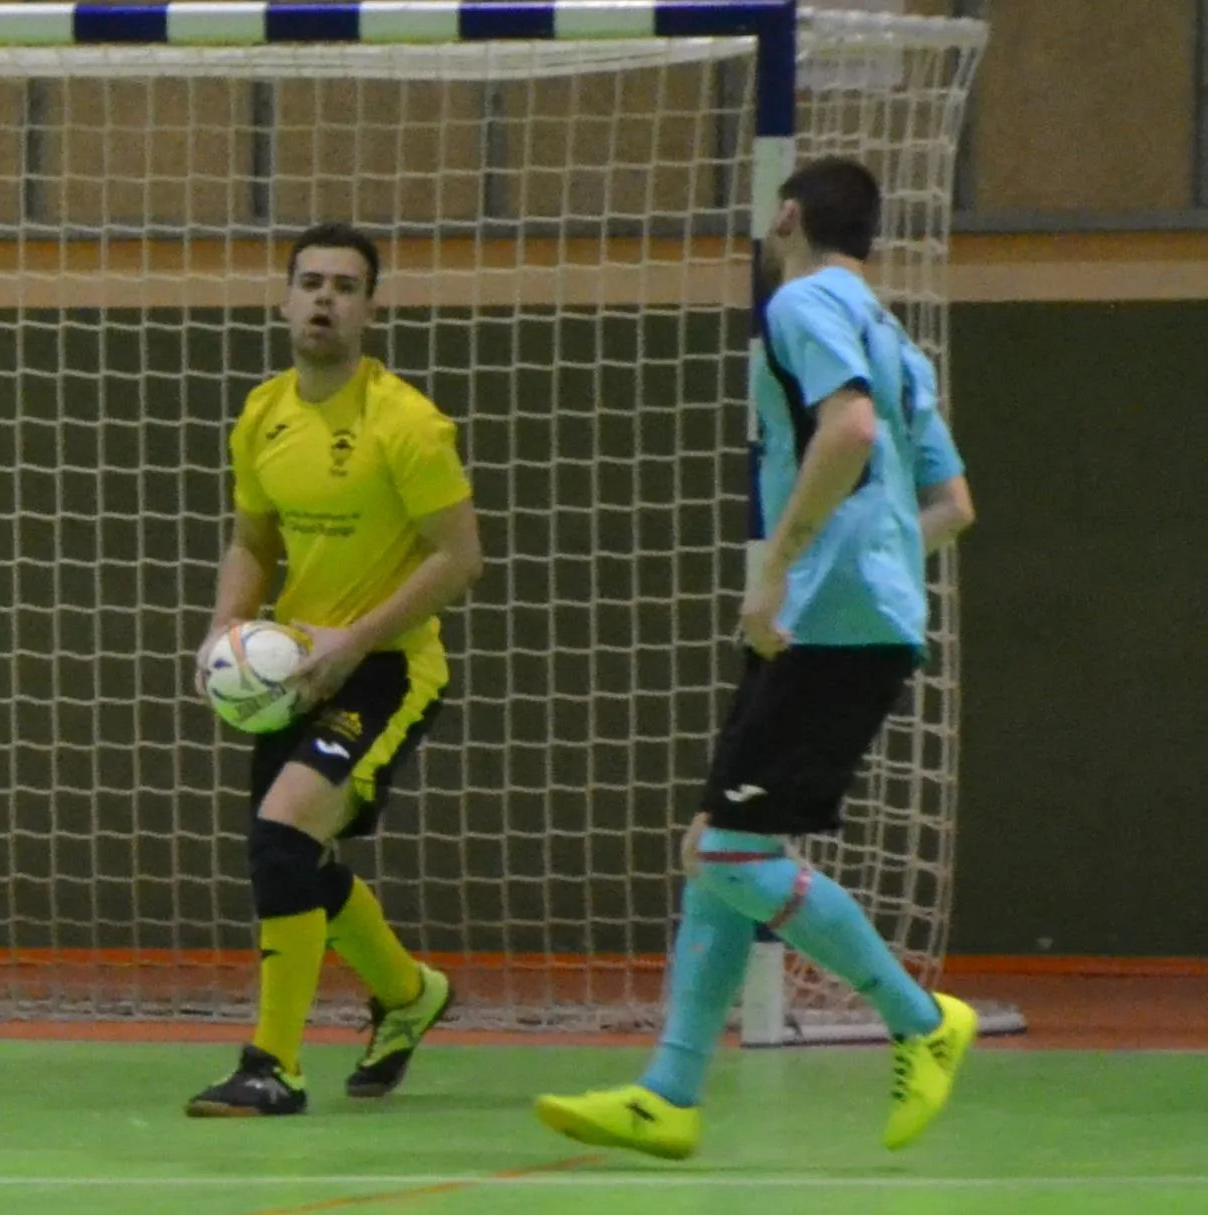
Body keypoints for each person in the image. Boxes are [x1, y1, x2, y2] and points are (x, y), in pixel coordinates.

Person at [534, 157, 980, 1158]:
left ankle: (919, 1018)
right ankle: (670, 1092)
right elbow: (952, 507)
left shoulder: (800, 305)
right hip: (858, 610)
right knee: (719, 850)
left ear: (786, 213)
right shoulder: (898, 339)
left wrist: (782, 563)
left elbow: (850, 429)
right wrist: (865, 556)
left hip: (829, 617)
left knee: (730, 854)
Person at [185, 222, 484, 1118]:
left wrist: (350, 642)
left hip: (388, 666)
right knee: (295, 857)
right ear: (284, 300)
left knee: (280, 840)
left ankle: (272, 1065)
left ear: (370, 309)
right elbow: (251, 538)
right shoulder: (262, 413)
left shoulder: (408, 423)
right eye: (310, 282)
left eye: (345, 286)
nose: (324, 299)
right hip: (294, 667)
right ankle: (408, 993)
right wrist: (223, 632)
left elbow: (460, 556)